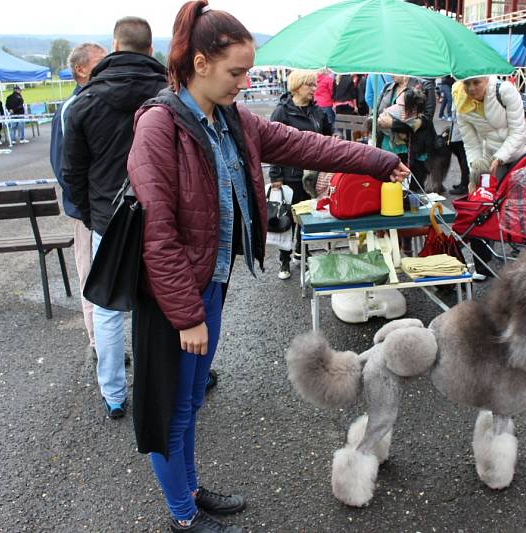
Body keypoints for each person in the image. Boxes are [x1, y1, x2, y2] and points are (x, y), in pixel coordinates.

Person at [126, 3, 409, 531]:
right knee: (171, 409)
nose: (245, 81)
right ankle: (182, 517)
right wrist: (187, 314)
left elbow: (307, 144)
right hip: (172, 297)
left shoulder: (231, 120)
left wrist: (378, 159)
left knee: (190, 400)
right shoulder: (159, 126)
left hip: (209, 283)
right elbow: (156, 233)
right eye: (236, 71)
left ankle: (190, 490)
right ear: (202, 63)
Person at [62, 16, 167, 420]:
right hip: (161, 217)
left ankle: (114, 394)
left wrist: (95, 216)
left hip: (110, 219)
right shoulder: (168, 94)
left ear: (115, 45)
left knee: (107, 308)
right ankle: (163, 385)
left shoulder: (84, 103)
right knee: (162, 301)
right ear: (150, 47)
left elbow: (73, 172)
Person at [49, 42, 107, 354]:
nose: (106, 67)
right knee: (91, 278)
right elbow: (64, 167)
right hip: (87, 213)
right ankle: (98, 343)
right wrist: (86, 209)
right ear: (80, 69)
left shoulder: (99, 100)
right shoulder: (72, 107)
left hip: (105, 208)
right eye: (99, 62)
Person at [453, 75, 526, 275]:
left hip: (523, 150)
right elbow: (471, 144)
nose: (471, 88)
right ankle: (483, 262)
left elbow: (517, 132)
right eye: (467, 84)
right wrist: (475, 171)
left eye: (476, 83)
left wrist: (500, 157)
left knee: (524, 206)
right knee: (484, 204)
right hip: (491, 155)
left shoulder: (504, 90)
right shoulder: (461, 100)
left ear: (486, 80)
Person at [268, 69, 332, 280]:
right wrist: (275, 175)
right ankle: (284, 260)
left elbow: (327, 136)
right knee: (288, 219)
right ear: (296, 87)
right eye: (310, 85)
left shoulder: (317, 111)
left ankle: (301, 252)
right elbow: (273, 145)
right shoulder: (282, 112)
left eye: (315, 85)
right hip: (290, 174)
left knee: (307, 217)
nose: (314, 89)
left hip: (312, 175)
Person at [376, 75, 437, 192]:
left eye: (395, 70)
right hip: (387, 147)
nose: (391, 74)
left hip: (414, 148)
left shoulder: (425, 86)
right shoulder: (387, 87)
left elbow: (426, 120)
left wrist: (393, 124)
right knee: (390, 189)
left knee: (414, 192)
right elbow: (376, 112)